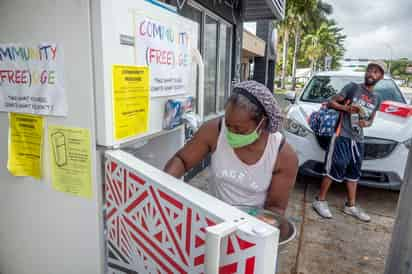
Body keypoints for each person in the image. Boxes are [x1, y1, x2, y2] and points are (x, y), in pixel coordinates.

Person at [164, 81, 298, 216]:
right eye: (228, 125)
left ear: (262, 123)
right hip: (214, 215)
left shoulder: (283, 155)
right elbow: (182, 160)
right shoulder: (214, 130)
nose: (232, 133)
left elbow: (275, 209)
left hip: (252, 222)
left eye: (240, 130)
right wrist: (162, 188)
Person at [312, 61, 386, 222]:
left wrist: (364, 123)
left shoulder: (377, 98)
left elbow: (371, 121)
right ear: (366, 72)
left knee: (354, 171)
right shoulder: (353, 88)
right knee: (334, 167)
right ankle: (319, 200)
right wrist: (346, 109)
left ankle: (350, 206)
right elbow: (331, 102)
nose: (371, 74)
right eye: (370, 70)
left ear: (381, 77)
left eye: (376, 72)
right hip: (341, 135)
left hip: (358, 139)